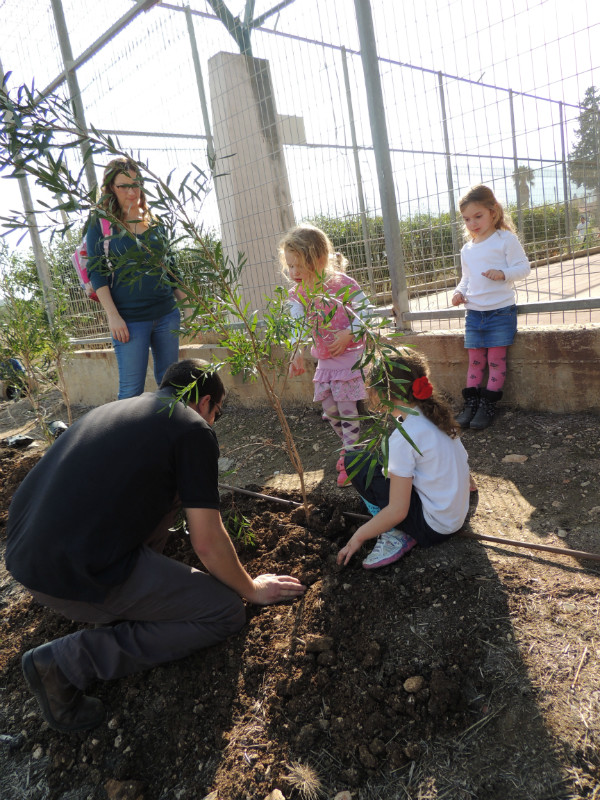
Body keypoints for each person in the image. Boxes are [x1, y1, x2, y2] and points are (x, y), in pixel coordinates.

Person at [5, 358, 305, 734]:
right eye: (219, 413)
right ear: (206, 401)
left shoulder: (117, 409)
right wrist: (252, 589)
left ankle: (132, 606)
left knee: (168, 496)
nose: (214, 422)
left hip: (27, 559)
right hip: (70, 576)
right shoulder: (192, 428)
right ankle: (67, 663)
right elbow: (207, 542)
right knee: (225, 611)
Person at [337, 348, 471, 570]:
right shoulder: (436, 416)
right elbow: (460, 462)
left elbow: (398, 510)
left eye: (371, 387)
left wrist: (359, 536)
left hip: (432, 529)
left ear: (384, 393)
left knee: (355, 461)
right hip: (454, 518)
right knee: (383, 466)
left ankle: (394, 533)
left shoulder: (404, 437)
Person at [279, 224, 372, 487]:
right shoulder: (298, 293)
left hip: (349, 356)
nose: (294, 273)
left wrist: (348, 334)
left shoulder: (342, 284)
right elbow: (295, 325)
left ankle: (353, 456)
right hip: (325, 360)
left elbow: (366, 311)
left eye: (299, 265)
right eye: (290, 266)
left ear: (319, 259)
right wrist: (295, 351)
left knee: (346, 407)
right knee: (330, 411)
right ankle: (348, 445)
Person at [87, 157, 186, 400]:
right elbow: (96, 271)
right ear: (111, 187)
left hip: (166, 314)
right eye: (124, 186)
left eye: (137, 184)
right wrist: (113, 317)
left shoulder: (153, 220)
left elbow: (170, 265)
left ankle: (168, 437)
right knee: (131, 393)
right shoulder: (100, 223)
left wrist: (188, 305)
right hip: (129, 321)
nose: (132, 192)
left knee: (170, 387)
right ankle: (128, 439)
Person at [451, 184, 531, 430]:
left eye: (478, 216)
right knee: (475, 361)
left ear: (493, 211)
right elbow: (466, 278)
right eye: (466, 219)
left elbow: (523, 267)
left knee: (496, 360)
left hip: (500, 312)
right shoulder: (468, 248)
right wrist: (459, 292)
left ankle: (488, 405)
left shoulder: (505, 239)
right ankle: (471, 404)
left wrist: (502, 273)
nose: (473, 223)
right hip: (474, 313)